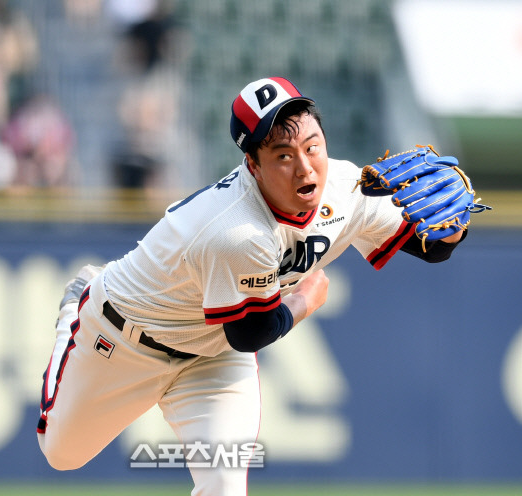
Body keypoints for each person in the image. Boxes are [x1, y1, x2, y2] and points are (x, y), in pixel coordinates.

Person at [37, 77, 469, 495]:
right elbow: (252, 332)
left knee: (224, 486)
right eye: (283, 155)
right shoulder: (237, 229)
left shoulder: (345, 186)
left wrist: (453, 229)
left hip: (213, 357)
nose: (305, 165)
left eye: (312, 145)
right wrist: (303, 301)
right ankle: (78, 304)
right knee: (62, 454)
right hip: (126, 338)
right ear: (253, 166)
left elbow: (430, 246)